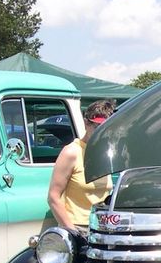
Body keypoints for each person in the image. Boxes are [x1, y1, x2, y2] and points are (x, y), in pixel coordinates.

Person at [47, 100, 115, 233]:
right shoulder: (71, 152)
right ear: (86, 123)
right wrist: (73, 233)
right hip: (77, 227)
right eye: (96, 127)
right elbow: (53, 197)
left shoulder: (107, 152)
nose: (101, 132)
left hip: (103, 227)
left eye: (106, 128)